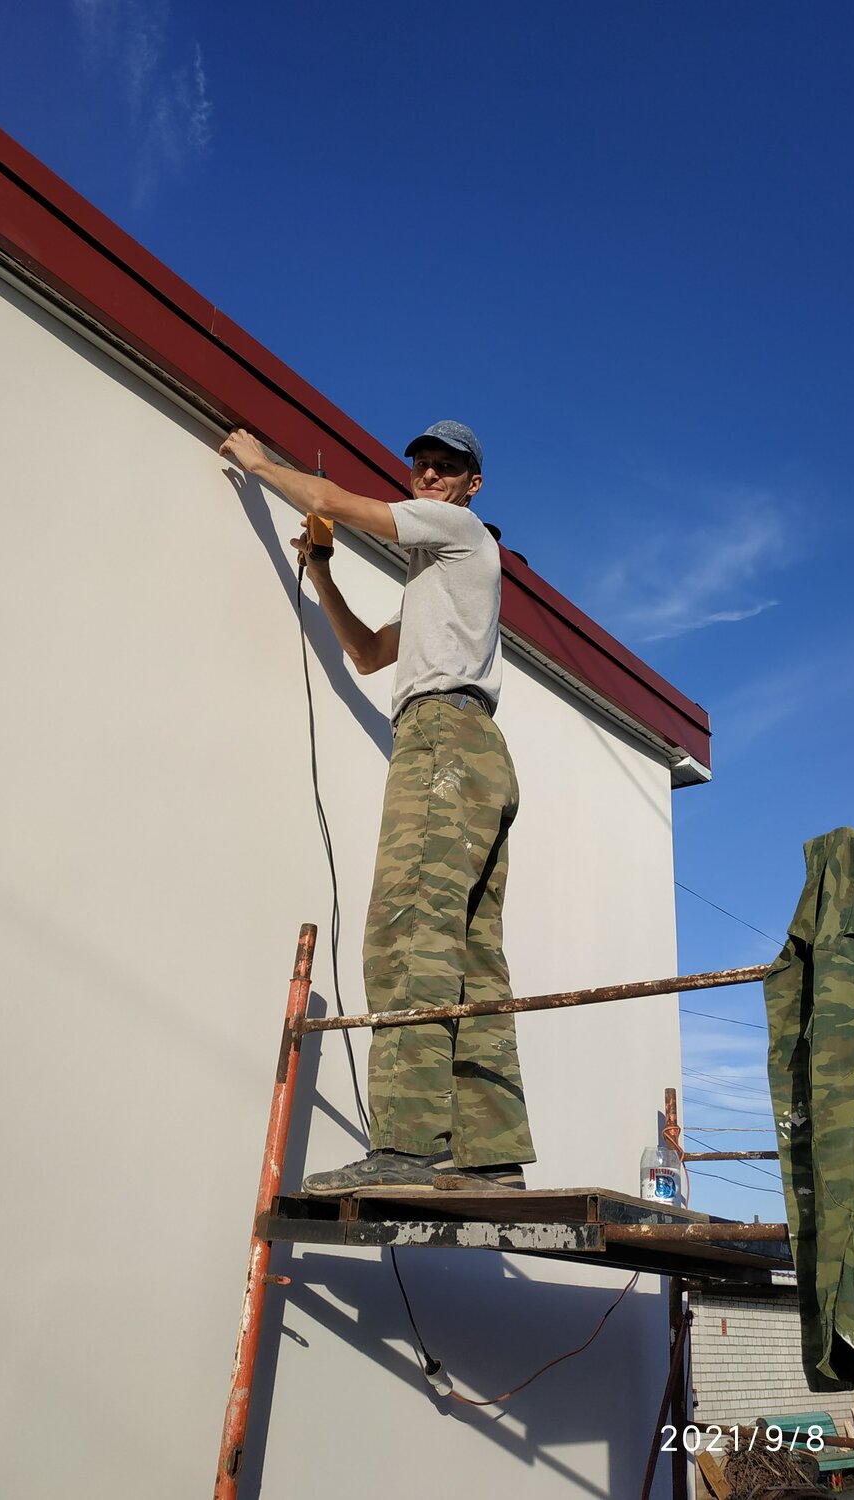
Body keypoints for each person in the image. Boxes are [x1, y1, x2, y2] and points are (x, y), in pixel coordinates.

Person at [219, 420, 534, 1193]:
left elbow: (331, 496)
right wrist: (321, 571)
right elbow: (366, 655)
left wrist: (258, 460)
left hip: (441, 744)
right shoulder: (439, 581)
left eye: (445, 466)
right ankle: (490, 1156)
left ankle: (406, 1145)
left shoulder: (458, 532)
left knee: (406, 935)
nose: (428, 474)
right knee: (470, 956)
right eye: (421, 464)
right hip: (474, 750)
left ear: (471, 484)